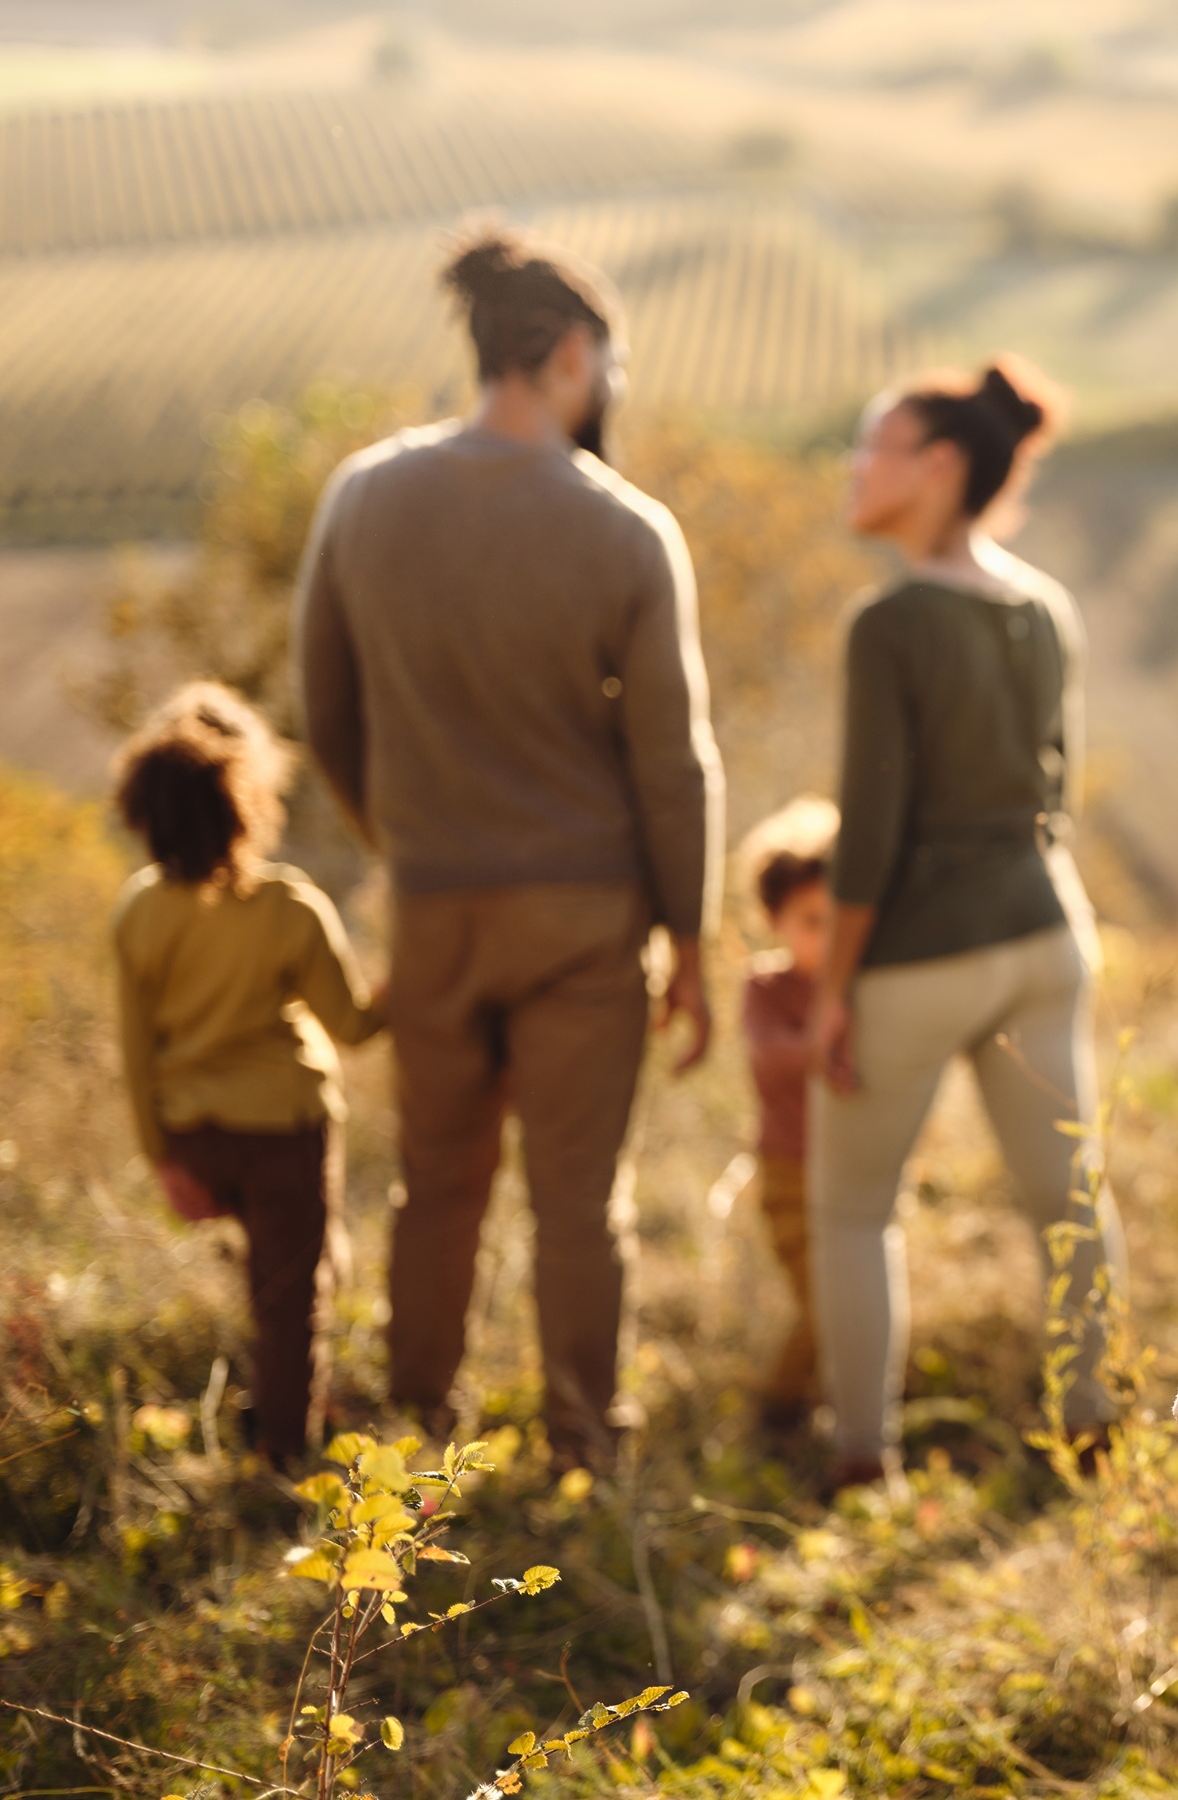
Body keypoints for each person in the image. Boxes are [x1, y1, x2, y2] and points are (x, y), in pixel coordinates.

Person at [294, 224, 722, 1474]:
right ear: (574, 357)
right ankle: (585, 1447)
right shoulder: (627, 532)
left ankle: (413, 1434)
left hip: (432, 906)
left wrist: (405, 840)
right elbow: (672, 765)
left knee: (436, 1184)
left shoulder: (363, 496)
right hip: (586, 923)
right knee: (578, 1200)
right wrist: (688, 940)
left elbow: (326, 711)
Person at [806, 357, 1124, 1494]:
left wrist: (831, 989)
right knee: (1068, 1202)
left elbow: (871, 830)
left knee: (849, 1208)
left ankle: (860, 1459)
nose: (852, 467)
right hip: (1046, 933)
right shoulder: (1044, 607)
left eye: (872, 444)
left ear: (939, 466)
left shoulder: (890, 623)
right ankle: (1095, 1424)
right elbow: (1060, 790)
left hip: (922, 949)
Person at [110, 681, 385, 1468]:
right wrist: (404, 988)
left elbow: (136, 1056)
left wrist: (162, 1160)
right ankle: (285, 1460)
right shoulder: (290, 908)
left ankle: (267, 1406)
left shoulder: (139, 912)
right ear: (251, 797)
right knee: (294, 1300)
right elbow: (355, 1028)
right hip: (284, 1133)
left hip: (196, 1138)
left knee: (274, 1280)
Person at [735, 797, 838, 1437]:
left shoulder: (856, 984)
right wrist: (826, 1048)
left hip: (853, 1168)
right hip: (789, 1171)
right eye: (809, 922)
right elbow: (770, 1055)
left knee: (846, 1293)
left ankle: (820, 1400)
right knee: (824, 1300)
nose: (823, 939)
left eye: (838, 923)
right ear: (775, 918)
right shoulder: (766, 987)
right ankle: (777, 1407)